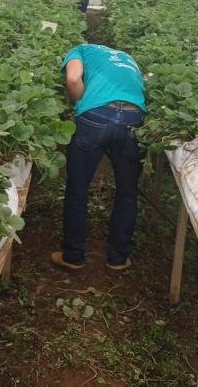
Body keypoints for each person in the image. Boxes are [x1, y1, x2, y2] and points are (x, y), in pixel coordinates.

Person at [51, 44, 146, 272]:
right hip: (133, 118)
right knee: (127, 192)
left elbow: (73, 80)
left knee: (78, 189)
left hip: (95, 115)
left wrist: (80, 104)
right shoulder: (128, 57)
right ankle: (118, 258)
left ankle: (73, 256)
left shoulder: (80, 50)